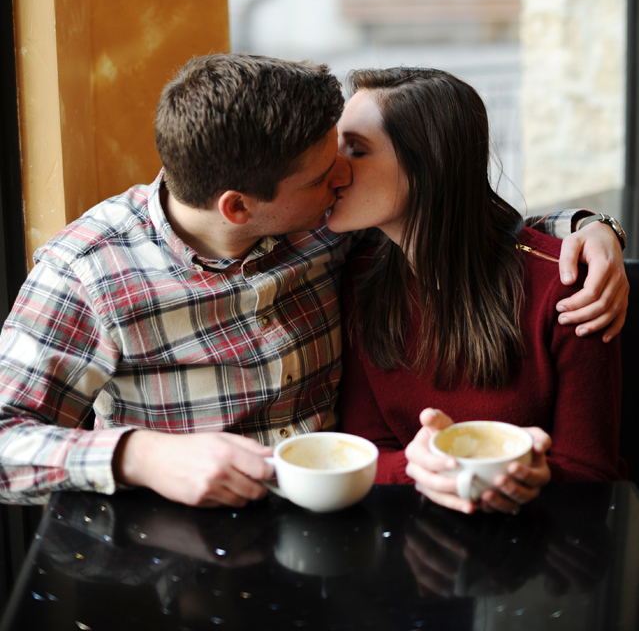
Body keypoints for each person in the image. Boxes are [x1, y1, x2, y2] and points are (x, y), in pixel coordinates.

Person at [0, 55, 627, 508]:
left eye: (346, 152)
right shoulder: (88, 273)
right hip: (178, 543)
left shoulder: (330, 228)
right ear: (238, 208)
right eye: (325, 169)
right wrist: (141, 456)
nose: (339, 179)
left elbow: (463, 218)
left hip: (346, 526)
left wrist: (592, 229)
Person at [329, 67, 625, 515]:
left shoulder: (567, 287)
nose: (333, 169)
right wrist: (420, 469)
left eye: (357, 150)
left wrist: (536, 477)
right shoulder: (357, 275)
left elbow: (590, 471)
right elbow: (370, 448)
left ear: (426, 164)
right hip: (412, 536)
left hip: (543, 544)